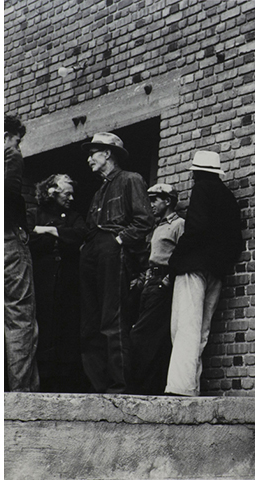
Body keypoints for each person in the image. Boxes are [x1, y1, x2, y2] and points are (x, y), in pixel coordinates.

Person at [79, 132, 154, 393]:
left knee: (113, 319)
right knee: (90, 321)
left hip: (113, 249)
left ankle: (118, 388)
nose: (89, 159)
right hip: (93, 251)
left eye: (93, 153)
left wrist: (119, 241)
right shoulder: (99, 191)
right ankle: (98, 385)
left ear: (107, 153)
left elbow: (144, 220)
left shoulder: (131, 180)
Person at [165, 151, 242, 396]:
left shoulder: (201, 190)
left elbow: (196, 227)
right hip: (216, 270)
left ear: (196, 172)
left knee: (185, 326)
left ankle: (180, 387)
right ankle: (192, 386)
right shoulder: (228, 197)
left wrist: (175, 261)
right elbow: (235, 240)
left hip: (193, 266)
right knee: (202, 330)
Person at [28, 174, 89, 393]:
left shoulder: (74, 216)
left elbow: (81, 234)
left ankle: (64, 380)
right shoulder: (34, 213)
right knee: (42, 326)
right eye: (67, 193)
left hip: (67, 282)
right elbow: (28, 238)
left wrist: (50, 230)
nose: (71, 198)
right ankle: (42, 378)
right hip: (42, 280)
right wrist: (61, 237)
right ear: (52, 192)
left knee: (66, 328)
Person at [129, 183, 185, 395]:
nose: (151, 204)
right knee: (143, 334)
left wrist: (167, 280)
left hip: (163, 284)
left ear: (168, 201)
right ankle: (147, 387)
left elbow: (182, 254)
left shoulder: (179, 224)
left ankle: (145, 388)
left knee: (144, 336)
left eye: (155, 200)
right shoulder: (156, 226)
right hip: (148, 284)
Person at [4, 114, 40, 392]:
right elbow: (8, 191)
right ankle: (22, 392)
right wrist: (20, 227)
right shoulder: (9, 154)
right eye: (18, 140)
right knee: (19, 315)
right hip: (6, 239)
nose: (19, 147)